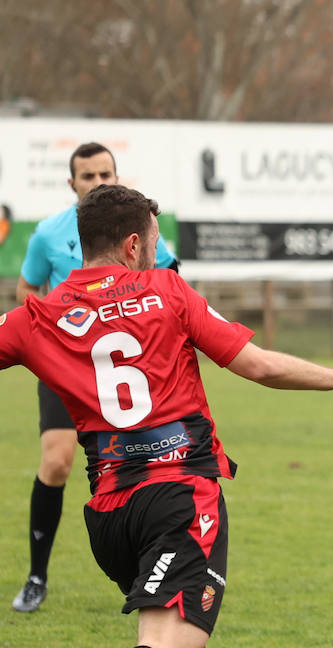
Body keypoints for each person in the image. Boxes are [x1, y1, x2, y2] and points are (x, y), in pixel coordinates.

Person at [4, 184, 333, 648]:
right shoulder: (168, 293)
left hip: (109, 515)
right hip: (181, 496)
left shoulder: (39, 316)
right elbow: (257, 365)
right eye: (152, 236)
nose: (156, 247)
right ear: (131, 244)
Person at [12, 141, 180, 613]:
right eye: (89, 176)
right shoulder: (50, 234)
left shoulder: (141, 229)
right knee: (58, 462)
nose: (99, 183)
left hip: (124, 371)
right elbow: (27, 288)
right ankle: (37, 576)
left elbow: (168, 282)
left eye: (106, 173)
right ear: (72, 184)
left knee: (149, 465)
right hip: (67, 368)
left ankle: (151, 571)